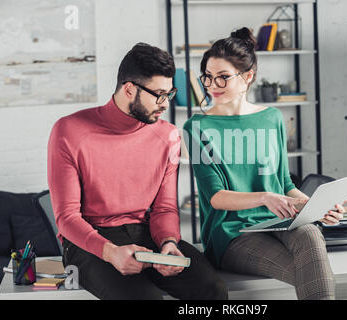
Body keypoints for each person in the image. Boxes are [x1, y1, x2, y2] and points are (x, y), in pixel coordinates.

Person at [47, 43, 227, 300]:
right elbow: (66, 217)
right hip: (89, 240)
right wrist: (110, 252)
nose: (165, 104)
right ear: (129, 89)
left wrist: (168, 243)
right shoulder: (69, 131)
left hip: (146, 234)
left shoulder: (168, 136)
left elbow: (165, 208)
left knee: (213, 289)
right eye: (159, 94)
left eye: (170, 93)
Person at [183, 28, 345, 300]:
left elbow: (284, 184)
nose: (212, 86)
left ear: (247, 77)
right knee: (309, 270)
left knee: (310, 233)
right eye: (208, 77)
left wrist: (315, 207)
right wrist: (265, 198)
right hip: (232, 234)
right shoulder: (198, 127)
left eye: (223, 78)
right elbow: (216, 198)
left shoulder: (272, 118)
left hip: (280, 221)